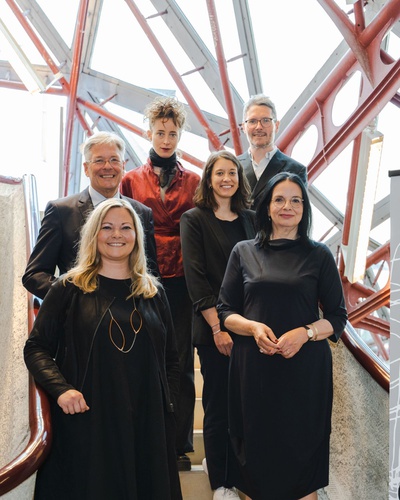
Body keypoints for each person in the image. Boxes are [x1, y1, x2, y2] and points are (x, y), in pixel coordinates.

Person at [24, 198, 182, 500]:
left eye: (126, 227)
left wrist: (167, 406)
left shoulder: (153, 292)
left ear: (137, 236)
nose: (116, 235)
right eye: (107, 227)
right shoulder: (68, 288)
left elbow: (171, 360)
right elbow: (36, 348)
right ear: (93, 234)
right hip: (91, 420)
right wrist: (61, 390)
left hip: (147, 423)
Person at [217, 172, 348, 500]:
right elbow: (226, 311)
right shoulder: (243, 251)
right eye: (279, 199)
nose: (287, 206)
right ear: (267, 206)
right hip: (253, 371)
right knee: (255, 465)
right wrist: (253, 328)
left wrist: (305, 333)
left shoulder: (319, 255)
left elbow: (337, 317)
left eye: (296, 200)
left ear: (304, 209)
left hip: (304, 374)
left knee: (301, 468)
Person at [120, 95, 200, 471]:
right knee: (142, 356)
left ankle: (179, 444)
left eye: (172, 133)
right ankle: (144, 437)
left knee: (181, 359)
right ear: (148, 133)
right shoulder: (130, 180)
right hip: (144, 275)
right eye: (160, 133)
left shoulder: (195, 181)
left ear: (180, 135)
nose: (166, 140)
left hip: (184, 278)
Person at [180, 150, 256, 499]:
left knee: (246, 405)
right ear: (208, 179)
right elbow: (196, 279)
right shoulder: (194, 219)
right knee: (218, 405)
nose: (227, 179)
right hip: (214, 328)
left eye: (233, 173)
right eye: (220, 173)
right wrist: (217, 328)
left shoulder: (251, 220)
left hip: (250, 326)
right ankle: (221, 482)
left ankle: (241, 472)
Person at [22, 131, 158, 300]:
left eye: (114, 160)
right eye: (99, 160)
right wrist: (75, 300)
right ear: (86, 168)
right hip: (76, 315)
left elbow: (151, 274)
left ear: (123, 166)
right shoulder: (61, 212)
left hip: (130, 311)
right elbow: (35, 275)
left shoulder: (142, 213)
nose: (107, 166)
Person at [238, 94, 307, 210]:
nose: (259, 127)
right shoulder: (233, 166)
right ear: (244, 127)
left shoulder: (296, 170)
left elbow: (299, 214)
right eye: (252, 121)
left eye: (266, 120)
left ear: (277, 125)